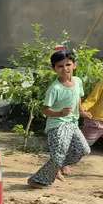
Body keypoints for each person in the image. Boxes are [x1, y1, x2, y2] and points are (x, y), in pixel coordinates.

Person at [28, 48, 90, 187]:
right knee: (58, 154)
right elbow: (45, 110)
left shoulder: (78, 81)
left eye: (68, 65)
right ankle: (37, 180)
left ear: (74, 65)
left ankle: (55, 168)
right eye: (60, 66)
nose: (65, 69)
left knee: (83, 150)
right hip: (57, 125)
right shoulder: (55, 88)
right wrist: (59, 113)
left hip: (72, 124)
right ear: (54, 68)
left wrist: (81, 111)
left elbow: (78, 98)